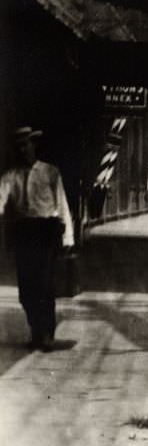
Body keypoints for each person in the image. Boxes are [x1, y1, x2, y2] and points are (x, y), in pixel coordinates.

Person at [0, 127, 74, 351]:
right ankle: (36, 329)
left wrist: (68, 236)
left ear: (34, 145)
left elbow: (61, 204)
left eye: (26, 144)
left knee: (44, 284)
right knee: (26, 289)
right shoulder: (10, 176)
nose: (23, 150)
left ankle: (46, 334)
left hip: (45, 232)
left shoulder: (50, 172)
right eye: (19, 146)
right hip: (24, 232)